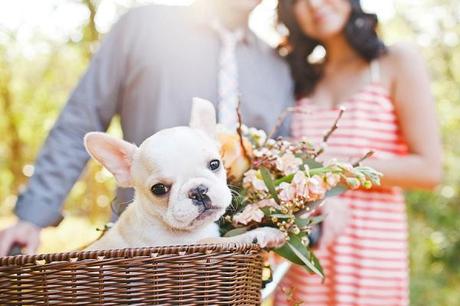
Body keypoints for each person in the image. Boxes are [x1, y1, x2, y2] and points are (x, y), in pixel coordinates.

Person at [0, 0, 294, 256]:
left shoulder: (277, 68)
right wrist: (33, 215)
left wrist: (299, 220)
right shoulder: (143, 28)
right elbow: (81, 118)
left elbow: (284, 158)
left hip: (238, 261)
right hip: (142, 260)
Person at [274, 0, 442, 305]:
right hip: (306, 259)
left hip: (371, 260)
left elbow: (429, 170)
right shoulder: (298, 76)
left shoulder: (394, 62)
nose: (313, 4)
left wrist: (336, 165)